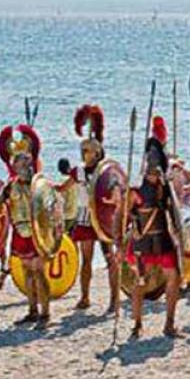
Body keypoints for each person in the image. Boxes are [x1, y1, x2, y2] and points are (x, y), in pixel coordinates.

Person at [126, 117, 183, 338]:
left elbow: (173, 214)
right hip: (143, 241)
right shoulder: (137, 189)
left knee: (173, 277)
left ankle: (168, 323)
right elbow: (126, 214)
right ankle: (137, 324)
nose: (154, 173)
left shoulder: (163, 188)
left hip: (162, 239)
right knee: (140, 282)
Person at [0, 124, 48, 329]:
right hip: (20, 231)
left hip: (36, 232)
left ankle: (45, 313)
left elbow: (49, 207)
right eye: (16, 161)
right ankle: (32, 310)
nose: (19, 164)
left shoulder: (38, 183)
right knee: (27, 272)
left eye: (22, 160)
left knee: (39, 271)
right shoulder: (10, 186)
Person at [65, 104, 118, 313]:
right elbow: (63, 189)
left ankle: (114, 300)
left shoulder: (106, 171)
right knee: (85, 260)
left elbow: (115, 189)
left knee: (110, 259)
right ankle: (85, 297)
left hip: (103, 220)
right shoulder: (77, 172)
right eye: (83, 150)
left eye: (88, 150)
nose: (85, 153)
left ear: (97, 152)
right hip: (85, 219)